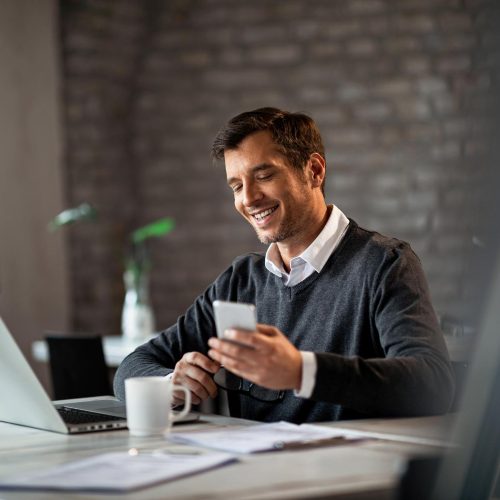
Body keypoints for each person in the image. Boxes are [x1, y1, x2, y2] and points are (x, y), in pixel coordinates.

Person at [114, 107, 454, 423]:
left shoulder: (385, 265)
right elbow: (131, 368)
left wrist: (300, 371)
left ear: (314, 171)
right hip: (254, 477)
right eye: (236, 186)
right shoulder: (240, 281)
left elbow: (432, 386)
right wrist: (170, 381)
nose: (248, 198)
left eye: (263, 176)